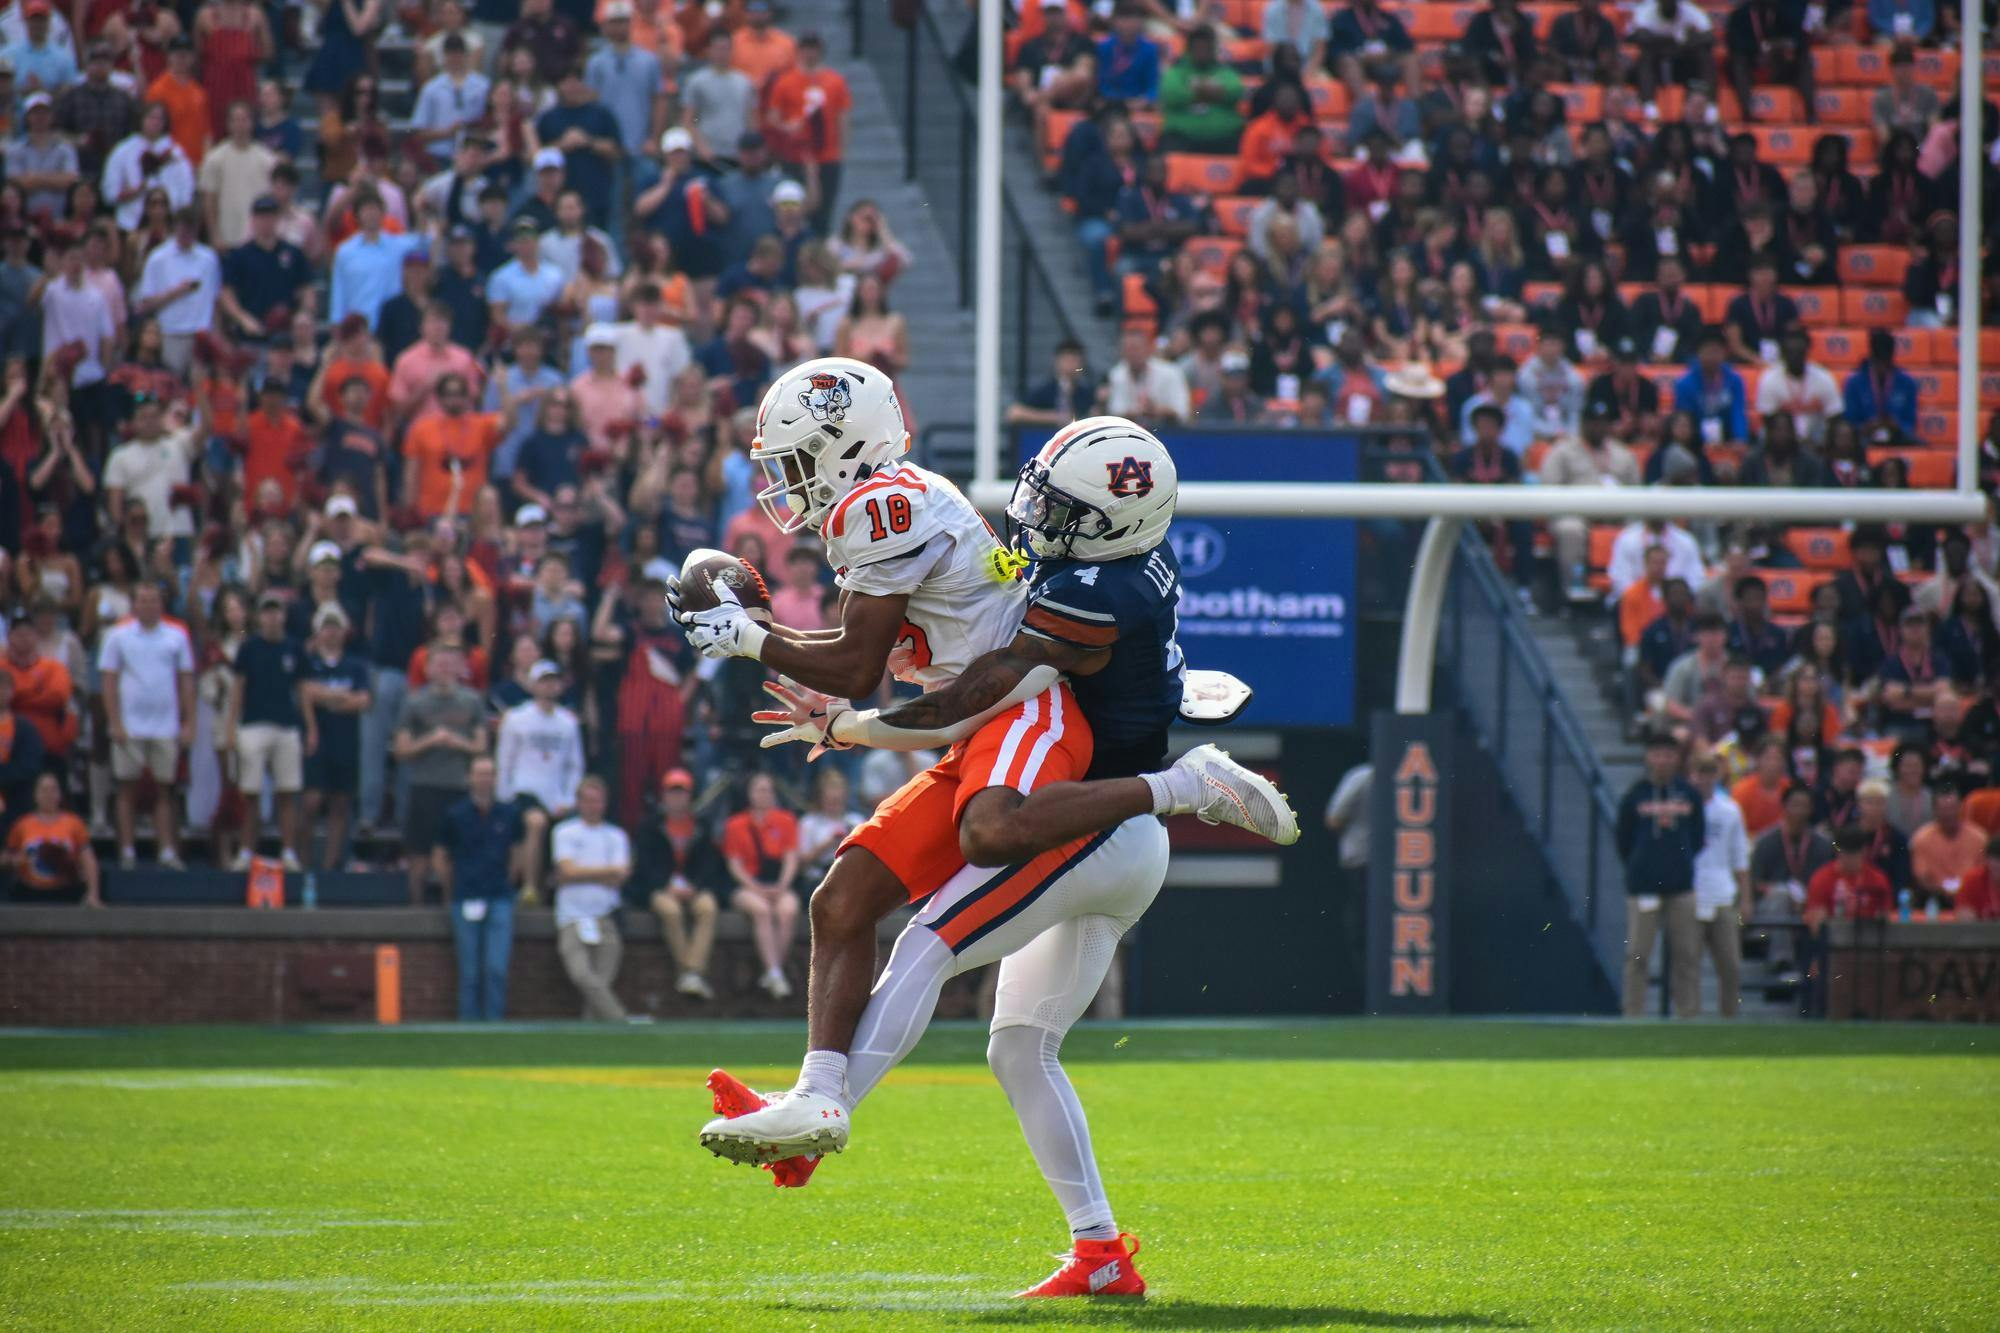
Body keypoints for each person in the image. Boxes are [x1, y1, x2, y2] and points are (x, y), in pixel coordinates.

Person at [695, 415, 1291, 1230]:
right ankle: (1100, 1250)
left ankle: (1186, 784)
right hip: (1074, 799)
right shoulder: (1101, 562)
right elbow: (941, 669)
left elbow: (964, 700)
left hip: (1094, 818)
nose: (1037, 518)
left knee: (939, 921)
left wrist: (830, 704)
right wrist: (872, 688)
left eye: (1065, 513)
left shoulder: (1092, 593)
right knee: (994, 1028)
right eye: (1043, 496)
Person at [96, 581, 194, 870]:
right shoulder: (118, 636)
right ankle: (127, 850)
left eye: (154, 600)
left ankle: (166, 850)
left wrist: (189, 722)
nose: (149, 605)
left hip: (166, 726)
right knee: (127, 789)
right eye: (143, 600)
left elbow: (187, 680)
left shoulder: (177, 636)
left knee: (165, 789)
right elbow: (109, 680)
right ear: (134, 604)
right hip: (130, 726)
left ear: (161, 604)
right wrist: (114, 721)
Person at [1615, 733, 1705, 1018]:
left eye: (1669, 754)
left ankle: (1688, 1014)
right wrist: (1642, 865)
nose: (1663, 760)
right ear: (1648, 757)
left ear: (1678, 758)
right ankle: (1633, 1014)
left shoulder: (1689, 795)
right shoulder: (1635, 796)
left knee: (1686, 955)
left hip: (1681, 887)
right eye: (1657, 754)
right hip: (1643, 888)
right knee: (1637, 955)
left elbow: (1698, 837)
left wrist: (1680, 863)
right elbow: (1623, 840)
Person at [393, 638, 488, 905]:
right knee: (420, 855)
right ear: (429, 668)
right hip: (424, 786)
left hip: (459, 787)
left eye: (450, 664)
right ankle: (416, 908)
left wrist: (460, 743)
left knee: (456, 854)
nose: (445, 669)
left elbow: (482, 746)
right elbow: (401, 750)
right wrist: (431, 740)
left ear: (460, 668)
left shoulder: (472, 701)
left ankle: (453, 907)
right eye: (440, 664)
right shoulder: (414, 702)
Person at [437, 755, 525, 1021]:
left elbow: (518, 851)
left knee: (496, 969)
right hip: (465, 897)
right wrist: (449, 889)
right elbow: (441, 856)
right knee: (470, 971)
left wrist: (510, 880)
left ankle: (494, 1025)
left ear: (496, 778)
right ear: (470, 778)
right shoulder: (456, 815)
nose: (485, 779)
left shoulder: (509, 814)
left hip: (499, 897)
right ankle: (468, 1027)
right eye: (479, 774)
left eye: (489, 774)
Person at [226, 591, 306, 871]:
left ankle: (288, 852)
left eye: (277, 612)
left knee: (287, 792)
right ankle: (246, 852)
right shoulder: (249, 647)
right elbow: (238, 689)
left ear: (284, 615)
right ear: (259, 617)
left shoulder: (295, 648)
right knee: (251, 794)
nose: (273, 617)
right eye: (267, 612)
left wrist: (309, 726)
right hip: (253, 725)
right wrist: (231, 727)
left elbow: (302, 690)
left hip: (286, 726)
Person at [496, 659, 584, 901]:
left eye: (553, 681)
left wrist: (568, 798)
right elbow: (505, 760)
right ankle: (529, 886)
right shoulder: (516, 718)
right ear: (534, 685)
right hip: (523, 791)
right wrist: (503, 797)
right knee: (535, 823)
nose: (549, 687)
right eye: (544, 682)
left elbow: (574, 765)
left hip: (555, 794)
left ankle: (553, 890)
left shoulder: (568, 722)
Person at [551, 774, 634, 1021]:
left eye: (597, 801)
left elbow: (620, 876)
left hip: (606, 917)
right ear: (578, 802)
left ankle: (591, 1038)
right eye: (587, 800)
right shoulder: (564, 831)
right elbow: (566, 871)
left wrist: (581, 872)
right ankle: (621, 1020)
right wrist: (605, 872)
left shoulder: (616, 836)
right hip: (571, 918)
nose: (592, 806)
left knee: (600, 983)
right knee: (582, 975)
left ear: (605, 803)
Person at [640, 767, 726, 1000]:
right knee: (670, 911)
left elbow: (710, 864)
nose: (677, 798)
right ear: (664, 796)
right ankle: (690, 973)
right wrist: (665, 885)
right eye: (672, 792)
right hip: (663, 888)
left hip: (694, 887)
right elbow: (645, 866)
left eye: (682, 792)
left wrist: (694, 887)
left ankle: (691, 972)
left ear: (690, 796)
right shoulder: (650, 826)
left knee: (708, 907)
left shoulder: (702, 826)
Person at [298, 605, 371, 870]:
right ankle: (303, 863)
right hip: (317, 739)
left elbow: (363, 700)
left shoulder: (355, 665)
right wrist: (340, 697)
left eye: (336, 627)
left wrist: (325, 697)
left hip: (345, 740)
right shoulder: (309, 662)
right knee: (311, 801)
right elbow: (305, 692)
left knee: (341, 802)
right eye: (326, 627)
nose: (331, 633)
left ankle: (330, 866)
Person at [722, 770, 800, 999]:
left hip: (778, 883)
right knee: (761, 910)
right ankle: (775, 972)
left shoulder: (786, 820)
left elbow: (791, 857)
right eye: (759, 789)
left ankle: (772, 971)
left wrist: (782, 886)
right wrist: (756, 888)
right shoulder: (736, 824)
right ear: (749, 794)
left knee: (788, 910)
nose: (764, 794)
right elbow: (734, 865)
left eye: (768, 789)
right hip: (748, 886)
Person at [1687, 751, 1749, 1018]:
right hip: (1690, 893)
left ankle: (1729, 1018)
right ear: (1692, 775)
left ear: (1717, 775)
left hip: (1722, 892)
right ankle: (1688, 1018)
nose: (1704, 778)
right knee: (1688, 965)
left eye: (1709, 772)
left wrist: (1746, 897)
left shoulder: (1730, 810)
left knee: (1730, 966)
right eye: (1699, 772)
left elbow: (1740, 855)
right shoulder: (1684, 808)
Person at [1748, 781, 1832, 977]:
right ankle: (1782, 961)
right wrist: (1784, 893)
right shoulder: (1765, 841)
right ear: (1784, 807)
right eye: (1795, 805)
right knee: (1780, 895)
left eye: (1804, 806)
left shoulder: (1822, 844)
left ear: (1811, 809)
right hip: (1770, 908)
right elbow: (1755, 883)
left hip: (1811, 905)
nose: (1799, 811)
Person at [4, 771, 97, 905]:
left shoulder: (74, 823)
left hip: (65, 891)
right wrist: (13, 860)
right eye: (44, 790)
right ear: (35, 794)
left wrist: (93, 893)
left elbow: (88, 860)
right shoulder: (22, 825)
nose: (48, 795)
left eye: (53, 790)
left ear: (60, 794)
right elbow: (6, 856)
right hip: (29, 892)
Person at [1909, 775, 1985, 913]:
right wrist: (1944, 893)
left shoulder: (1979, 838)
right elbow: (1922, 877)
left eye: (1952, 809)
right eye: (1944, 810)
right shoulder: (1921, 838)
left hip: (1973, 898)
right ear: (1934, 811)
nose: (1949, 815)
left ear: (1961, 807)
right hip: (1935, 899)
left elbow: (1984, 874)